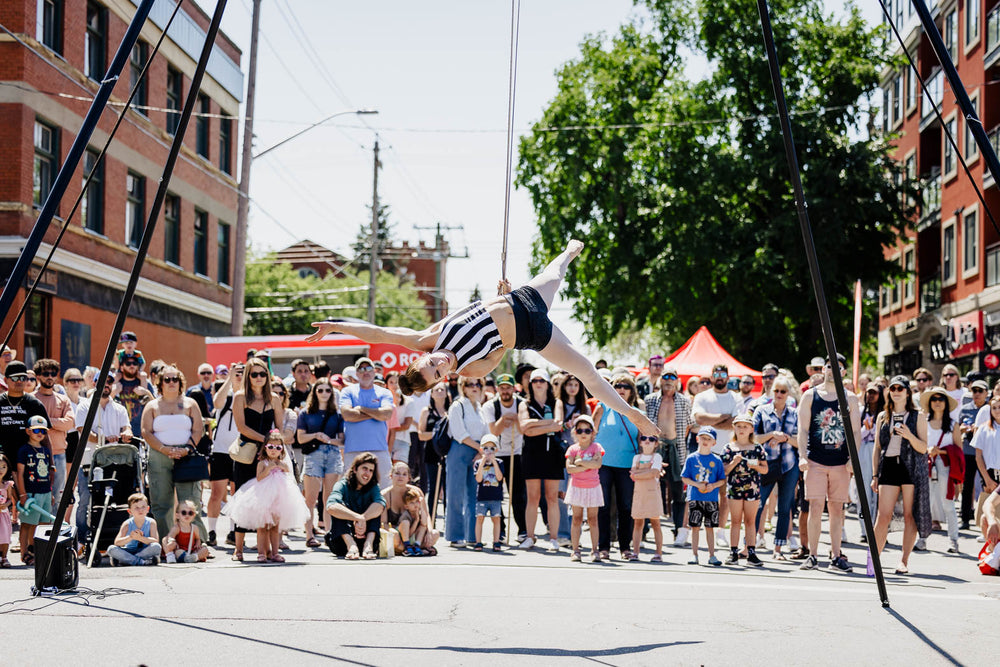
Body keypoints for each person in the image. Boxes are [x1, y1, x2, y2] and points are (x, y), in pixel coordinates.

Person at [307, 240, 659, 437]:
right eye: (439, 373)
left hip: (522, 300)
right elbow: (501, 350)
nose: (441, 364)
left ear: (422, 357)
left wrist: (336, 325)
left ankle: (568, 251)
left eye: (432, 364)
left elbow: (379, 333)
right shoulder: (471, 371)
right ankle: (631, 413)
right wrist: (502, 331)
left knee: (557, 269)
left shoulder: (428, 337)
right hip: (532, 333)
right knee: (587, 374)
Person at [796, 355, 861, 573]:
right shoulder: (810, 396)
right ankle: (813, 555)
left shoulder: (850, 398)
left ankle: (835, 555)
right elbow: (803, 430)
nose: (833, 370)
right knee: (815, 507)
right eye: (829, 366)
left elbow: (855, 432)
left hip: (840, 463)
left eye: (838, 367)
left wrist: (853, 459)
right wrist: (803, 456)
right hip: (815, 461)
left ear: (844, 372)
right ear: (823, 369)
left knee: (836, 509)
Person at [872, 376, 930, 575]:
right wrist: (874, 475)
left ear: (907, 392)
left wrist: (909, 435)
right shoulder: (882, 416)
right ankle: (874, 559)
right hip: (888, 465)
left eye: (900, 388)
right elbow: (877, 448)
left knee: (909, 515)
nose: (896, 391)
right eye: (893, 388)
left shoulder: (917, 416)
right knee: (883, 515)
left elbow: (923, 448)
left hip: (910, 467)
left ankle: (904, 560)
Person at [141, 366, 206, 541]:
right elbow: (146, 432)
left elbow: (198, 430)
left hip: (186, 457)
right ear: (160, 383)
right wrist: (164, 449)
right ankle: (165, 542)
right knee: (162, 503)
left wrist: (187, 449)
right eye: (167, 379)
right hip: (159, 455)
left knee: (190, 502)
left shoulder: (190, 403)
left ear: (180, 382)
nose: (171, 383)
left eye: (175, 379)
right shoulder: (152, 405)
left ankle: (197, 542)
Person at [224, 430, 309, 563]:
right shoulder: (262, 463)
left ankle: (275, 553)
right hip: (263, 498)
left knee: (275, 528)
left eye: (278, 447)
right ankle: (261, 553)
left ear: (282, 449)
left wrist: (282, 466)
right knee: (262, 527)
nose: (274, 450)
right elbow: (259, 478)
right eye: (270, 447)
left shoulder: (283, 464)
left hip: (278, 499)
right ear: (265, 448)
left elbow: (288, 474)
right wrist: (269, 469)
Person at [230, 357, 285, 561]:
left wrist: (275, 445)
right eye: (254, 374)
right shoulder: (240, 397)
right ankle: (239, 549)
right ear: (248, 376)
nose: (259, 377)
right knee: (243, 499)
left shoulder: (274, 399)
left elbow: (278, 427)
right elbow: (241, 427)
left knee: (269, 502)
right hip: (248, 454)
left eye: (263, 373)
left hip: (269, 455)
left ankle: (269, 550)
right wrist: (267, 440)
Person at [592, 373, 642, 560]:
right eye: (617, 385)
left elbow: (641, 439)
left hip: (627, 465)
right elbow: (591, 432)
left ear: (632, 391)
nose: (621, 389)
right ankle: (603, 547)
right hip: (603, 464)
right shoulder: (602, 407)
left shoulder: (638, 412)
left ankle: (625, 548)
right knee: (603, 506)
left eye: (626, 386)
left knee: (626, 507)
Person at [74, 382, 132, 544]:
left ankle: (112, 535)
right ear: (95, 384)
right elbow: (85, 433)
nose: (106, 386)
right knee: (85, 500)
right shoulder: (84, 407)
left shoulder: (119, 408)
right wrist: (106, 437)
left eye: (109, 382)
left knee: (114, 500)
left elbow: (126, 427)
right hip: (89, 460)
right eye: (103, 382)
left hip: (114, 462)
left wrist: (126, 433)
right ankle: (81, 538)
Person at [691, 363, 740, 547]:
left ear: (727, 377)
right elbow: (699, 419)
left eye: (723, 374)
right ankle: (694, 529)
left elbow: (734, 424)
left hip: (727, 450)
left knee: (724, 493)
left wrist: (711, 422)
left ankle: (720, 530)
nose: (719, 377)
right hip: (703, 451)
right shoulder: (702, 396)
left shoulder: (734, 397)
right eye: (716, 373)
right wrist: (723, 417)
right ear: (711, 377)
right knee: (698, 490)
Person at [518, 369, 565, 552]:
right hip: (532, 453)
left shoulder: (556, 402)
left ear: (547, 384)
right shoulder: (525, 404)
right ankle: (530, 536)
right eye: (535, 380)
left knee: (552, 497)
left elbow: (559, 423)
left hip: (552, 453)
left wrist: (534, 424)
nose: (538, 383)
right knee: (533, 497)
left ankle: (553, 538)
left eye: (542, 380)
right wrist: (548, 424)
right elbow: (524, 428)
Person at [752, 376, 799, 560]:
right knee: (758, 503)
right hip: (766, 464)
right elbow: (753, 437)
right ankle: (750, 544)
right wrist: (772, 434)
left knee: (785, 508)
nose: (779, 394)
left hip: (789, 464)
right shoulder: (761, 411)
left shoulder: (795, 414)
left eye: (783, 391)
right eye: (776, 391)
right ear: (772, 392)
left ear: (788, 394)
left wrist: (785, 438)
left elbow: (801, 442)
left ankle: (778, 549)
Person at [644, 367, 692, 547]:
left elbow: (688, 425)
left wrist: (678, 441)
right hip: (655, 447)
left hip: (676, 448)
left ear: (677, 381)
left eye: (673, 377)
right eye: (666, 377)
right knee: (651, 487)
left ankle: (679, 530)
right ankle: (645, 530)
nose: (669, 380)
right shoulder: (650, 400)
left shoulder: (684, 401)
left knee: (678, 491)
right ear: (660, 380)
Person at [297, 378, 344, 547]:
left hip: (332, 454)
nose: (324, 393)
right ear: (314, 393)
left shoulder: (337, 414)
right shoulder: (305, 413)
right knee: (310, 498)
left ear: (332, 393)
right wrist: (316, 435)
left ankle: (329, 534)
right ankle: (309, 535)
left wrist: (330, 441)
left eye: (328, 390)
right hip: (313, 455)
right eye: (320, 390)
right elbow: (300, 438)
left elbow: (342, 441)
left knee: (329, 498)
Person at [446, 375, 489, 547]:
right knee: (455, 494)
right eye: (470, 384)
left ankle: (472, 536)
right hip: (459, 449)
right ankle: (455, 536)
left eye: (478, 384)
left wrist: (482, 451)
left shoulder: (480, 408)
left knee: (475, 495)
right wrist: (478, 448)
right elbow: (459, 433)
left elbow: (486, 432)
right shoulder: (457, 405)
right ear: (463, 387)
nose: (474, 387)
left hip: (478, 453)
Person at [482, 373, 525, 542]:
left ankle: (522, 530)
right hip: (497, 454)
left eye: (508, 388)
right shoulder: (490, 406)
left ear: (513, 388)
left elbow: (524, 429)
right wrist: (504, 419)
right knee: (495, 493)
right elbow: (493, 431)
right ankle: (500, 530)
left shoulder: (522, 404)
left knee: (518, 494)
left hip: (517, 452)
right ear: (498, 389)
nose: (505, 391)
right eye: (502, 388)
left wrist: (517, 419)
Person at [339, 357, 394, 489]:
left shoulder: (384, 392)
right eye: (361, 369)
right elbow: (347, 415)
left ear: (374, 372)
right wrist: (376, 414)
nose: (366, 372)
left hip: (379, 449)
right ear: (356, 373)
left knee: (385, 491)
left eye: (369, 368)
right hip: (353, 450)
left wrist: (362, 409)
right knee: (353, 491)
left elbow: (387, 414)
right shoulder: (347, 391)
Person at [721, 414, 768, 566]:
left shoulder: (757, 448)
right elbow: (724, 471)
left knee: (750, 521)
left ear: (751, 429)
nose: (741, 429)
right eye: (739, 426)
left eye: (745, 426)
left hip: (752, 488)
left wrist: (755, 466)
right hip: (734, 488)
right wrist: (734, 462)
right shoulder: (729, 448)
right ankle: (733, 551)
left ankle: (751, 552)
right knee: (735, 520)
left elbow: (765, 469)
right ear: (733, 427)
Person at [206, 362, 242, 546]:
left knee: (237, 493)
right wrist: (229, 378)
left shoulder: (248, 396)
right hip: (220, 450)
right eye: (237, 372)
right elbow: (217, 403)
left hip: (240, 451)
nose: (239, 375)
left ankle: (233, 531)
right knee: (216, 494)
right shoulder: (225, 393)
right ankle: (211, 531)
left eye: (242, 373)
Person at [922, 386, 962, 553]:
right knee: (925, 503)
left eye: (941, 399)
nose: (937, 402)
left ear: (946, 403)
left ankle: (953, 540)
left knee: (948, 504)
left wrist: (940, 451)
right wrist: (928, 450)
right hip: (927, 466)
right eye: (934, 399)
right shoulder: (924, 422)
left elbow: (958, 450)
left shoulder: (953, 425)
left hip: (945, 466)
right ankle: (922, 538)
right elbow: (919, 444)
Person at [31, 359, 75, 508]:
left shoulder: (63, 400)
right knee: (36, 497)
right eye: (45, 373)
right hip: (35, 454)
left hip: (59, 455)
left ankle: (54, 530)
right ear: (38, 376)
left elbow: (69, 423)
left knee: (57, 498)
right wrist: (57, 423)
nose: (50, 377)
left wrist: (44, 422)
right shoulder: (31, 399)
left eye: (53, 373)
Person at [325, 452, 385, 559]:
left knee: (375, 505)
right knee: (339, 506)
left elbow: (381, 505)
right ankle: (351, 546)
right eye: (364, 469)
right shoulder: (342, 484)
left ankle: (368, 546)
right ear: (355, 469)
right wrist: (357, 517)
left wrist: (363, 518)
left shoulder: (373, 486)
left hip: (366, 538)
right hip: (342, 542)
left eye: (371, 470)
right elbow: (331, 506)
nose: (367, 473)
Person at [681, 427, 726, 566]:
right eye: (703, 438)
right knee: (695, 527)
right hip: (695, 497)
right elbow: (684, 478)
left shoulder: (717, 460)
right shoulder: (691, 458)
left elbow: (722, 480)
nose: (705, 441)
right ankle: (694, 554)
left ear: (714, 442)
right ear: (697, 439)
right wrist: (696, 484)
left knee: (710, 527)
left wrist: (713, 486)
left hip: (711, 499)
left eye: (709, 439)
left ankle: (712, 555)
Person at [564, 414, 604, 562]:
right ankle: (575, 550)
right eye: (580, 430)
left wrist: (580, 463)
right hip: (577, 487)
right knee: (576, 519)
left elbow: (597, 464)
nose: (583, 434)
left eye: (587, 430)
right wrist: (587, 464)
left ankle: (595, 550)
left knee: (593, 519)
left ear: (592, 432)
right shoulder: (572, 449)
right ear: (575, 432)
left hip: (593, 487)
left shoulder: (597, 447)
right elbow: (569, 469)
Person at [0, 361, 49, 480]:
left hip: (30, 463)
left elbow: (46, 438)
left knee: (30, 498)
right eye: (15, 378)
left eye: (23, 378)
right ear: (6, 380)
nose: (19, 381)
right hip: (2, 464)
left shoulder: (35, 404)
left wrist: (51, 465)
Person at [16, 415, 53, 566]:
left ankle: (36, 550)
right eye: (36, 430)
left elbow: (50, 472)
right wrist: (23, 493)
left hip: (45, 491)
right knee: (27, 523)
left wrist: (51, 492)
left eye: (43, 431)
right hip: (31, 492)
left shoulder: (46, 450)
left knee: (43, 523)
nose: (40, 433)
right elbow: (20, 473)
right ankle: (24, 553)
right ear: (28, 431)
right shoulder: (24, 450)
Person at [382, 462, 439, 555]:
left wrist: (428, 531)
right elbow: (383, 523)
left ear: (408, 478)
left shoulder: (416, 492)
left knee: (435, 534)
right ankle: (417, 549)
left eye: (404, 474)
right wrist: (396, 531)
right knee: (393, 535)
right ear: (391, 475)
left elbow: (426, 515)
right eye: (397, 473)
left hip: (415, 533)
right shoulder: (385, 495)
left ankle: (411, 548)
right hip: (397, 534)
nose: (400, 476)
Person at [856, 380, 885, 543]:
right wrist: (865, 429)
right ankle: (864, 529)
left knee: (880, 493)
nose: (870, 395)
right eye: (868, 392)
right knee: (864, 492)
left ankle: (878, 528)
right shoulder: (861, 412)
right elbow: (855, 436)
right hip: (864, 451)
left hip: (879, 451)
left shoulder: (885, 414)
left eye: (874, 392)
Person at [630, 431, 665, 562]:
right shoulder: (636, 458)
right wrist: (647, 472)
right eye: (644, 438)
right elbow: (635, 473)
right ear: (640, 441)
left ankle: (658, 552)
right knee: (637, 523)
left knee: (656, 523)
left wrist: (638, 474)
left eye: (651, 439)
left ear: (656, 443)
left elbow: (654, 473)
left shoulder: (657, 457)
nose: (647, 441)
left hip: (652, 494)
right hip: (639, 494)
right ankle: (635, 552)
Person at [417, 381, 450, 512]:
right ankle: (431, 521)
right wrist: (438, 434)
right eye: (436, 390)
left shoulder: (451, 411)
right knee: (433, 489)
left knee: (448, 488)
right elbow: (421, 435)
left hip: (448, 453)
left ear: (447, 394)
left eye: (442, 390)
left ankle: (449, 522)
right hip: (431, 453)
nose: (440, 392)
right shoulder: (426, 411)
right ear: (431, 394)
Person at [961, 379, 989, 529]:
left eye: (980, 391)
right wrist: (964, 429)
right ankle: (965, 518)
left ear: (986, 393)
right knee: (967, 485)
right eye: (974, 391)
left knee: (986, 485)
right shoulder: (965, 408)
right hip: (968, 450)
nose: (977, 394)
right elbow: (957, 428)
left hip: (985, 453)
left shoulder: (991, 408)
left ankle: (984, 519)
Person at [107, 493, 161, 566]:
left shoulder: (151, 522)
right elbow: (117, 542)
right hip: (129, 551)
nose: (140, 510)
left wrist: (140, 538)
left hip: (144, 551)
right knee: (111, 549)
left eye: (143, 507)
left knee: (156, 547)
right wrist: (131, 537)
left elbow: (155, 540)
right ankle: (140, 562)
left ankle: (127, 560)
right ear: (130, 511)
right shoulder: (127, 524)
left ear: (148, 509)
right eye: (136, 508)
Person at [472, 434, 505, 552]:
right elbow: (479, 479)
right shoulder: (478, 463)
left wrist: (494, 462)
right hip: (482, 497)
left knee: (496, 518)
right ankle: (478, 542)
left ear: (496, 450)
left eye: (492, 448)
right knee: (479, 518)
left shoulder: (500, 462)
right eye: (486, 448)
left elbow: (500, 478)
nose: (489, 452)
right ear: (481, 449)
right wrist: (482, 463)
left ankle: (496, 541)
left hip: (495, 497)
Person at [972, 397, 1000, 532]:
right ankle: (990, 548)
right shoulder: (984, 429)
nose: (997, 410)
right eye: (994, 408)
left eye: (999, 407)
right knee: (985, 515)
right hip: (989, 475)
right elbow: (978, 456)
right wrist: (987, 479)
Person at [0, 454, 12, 568]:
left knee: (5, 536)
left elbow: (10, 500)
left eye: (4, 467)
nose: (1, 470)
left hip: (3, 515)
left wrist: (5, 505)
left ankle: (4, 557)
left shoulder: (7, 484)